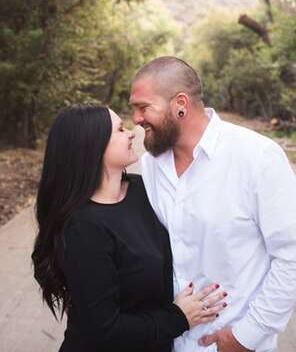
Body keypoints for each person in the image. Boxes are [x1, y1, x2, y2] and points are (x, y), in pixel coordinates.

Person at [130, 57, 296, 352]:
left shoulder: (257, 156)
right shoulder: (151, 165)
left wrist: (247, 336)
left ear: (180, 104)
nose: (135, 118)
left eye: (143, 107)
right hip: (167, 342)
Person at [31, 104, 227, 351]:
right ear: (93, 145)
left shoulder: (142, 189)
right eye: (120, 129)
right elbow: (104, 329)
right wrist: (178, 317)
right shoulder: (83, 227)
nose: (132, 133)